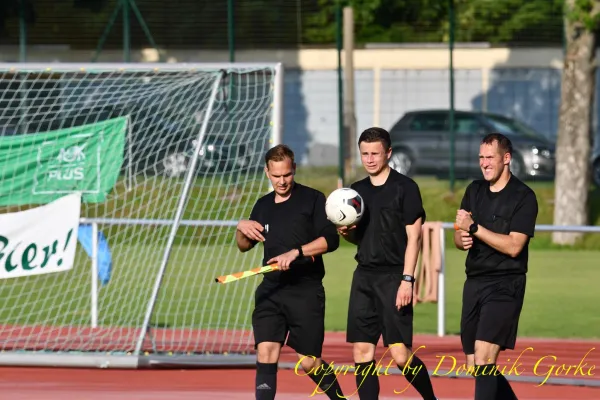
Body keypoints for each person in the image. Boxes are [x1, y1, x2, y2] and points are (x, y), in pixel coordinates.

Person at [235, 144, 345, 400]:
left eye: (287, 175)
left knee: (309, 363)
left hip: (305, 291)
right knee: (266, 353)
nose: (282, 181)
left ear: (294, 169)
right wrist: (241, 227)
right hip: (271, 290)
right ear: (267, 172)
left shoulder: (314, 199)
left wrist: (296, 252)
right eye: (276, 176)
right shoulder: (262, 205)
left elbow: (331, 240)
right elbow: (244, 246)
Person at [338, 127, 438, 400]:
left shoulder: (406, 188)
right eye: (365, 154)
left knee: (400, 355)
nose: (369, 159)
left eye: (375, 153)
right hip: (364, 278)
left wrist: (407, 280)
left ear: (388, 153)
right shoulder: (356, 192)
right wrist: (346, 232)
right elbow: (358, 238)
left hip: (395, 278)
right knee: (361, 352)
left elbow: (414, 238)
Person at [454, 133, 538, 400]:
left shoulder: (524, 197)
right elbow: (459, 235)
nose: (484, 163)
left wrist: (475, 229)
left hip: (505, 285)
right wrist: (462, 237)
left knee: (484, 356)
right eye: (481, 157)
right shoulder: (474, 190)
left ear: (506, 159)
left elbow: (515, 246)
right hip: (474, 283)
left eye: (490, 157)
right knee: (476, 364)